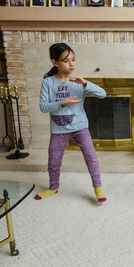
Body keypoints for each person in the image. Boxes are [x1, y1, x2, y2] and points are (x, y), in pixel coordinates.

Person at [35, 43, 107, 203]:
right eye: (66, 61)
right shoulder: (48, 82)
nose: (72, 64)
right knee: (53, 161)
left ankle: (98, 188)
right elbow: (43, 106)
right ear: (55, 62)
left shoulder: (78, 82)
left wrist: (86, 83)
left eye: (73, 60)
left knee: (91, 157)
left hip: (80, 127)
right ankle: (53, 187)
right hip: (58, 128)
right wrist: (61, 103)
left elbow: (103, 94)